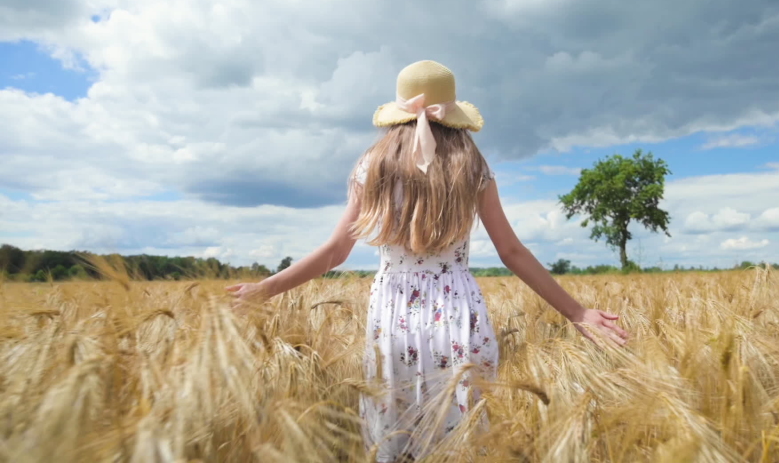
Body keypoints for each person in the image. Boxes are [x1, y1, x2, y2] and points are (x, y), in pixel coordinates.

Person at [226, 60, 629, 462]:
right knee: (463, 436)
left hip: (393, 313)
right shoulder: (472, 166)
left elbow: (336, 250)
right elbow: (511, 252)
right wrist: (577, 312)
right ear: (452, 114)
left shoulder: (371, 166)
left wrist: (265, 289)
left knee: (395, 431)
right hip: (458, 313)